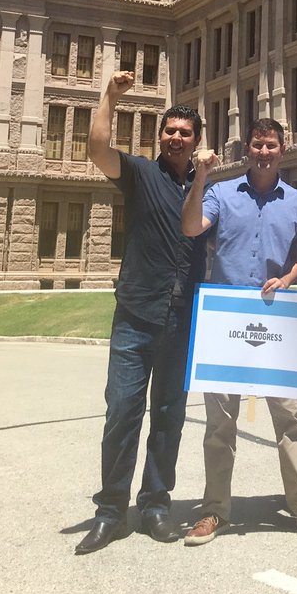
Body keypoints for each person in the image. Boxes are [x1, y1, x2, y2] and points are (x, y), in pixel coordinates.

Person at [180, 117, 297, 544]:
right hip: (227, 319)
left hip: (278, 318)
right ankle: (214, 510)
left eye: (271, 145)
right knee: (219, 423)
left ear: (282, 150)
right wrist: (201, 176)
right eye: (257, 145)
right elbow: (191, 227)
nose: (264, 152)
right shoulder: (221, 192)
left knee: (291, 417)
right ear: (247, 149)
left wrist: (288, 278)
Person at [75, 72, 205, 555]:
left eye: (184, 132)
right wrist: (109, 96)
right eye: (169, 130)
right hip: (136, 314)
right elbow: (97, 149)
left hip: (182, 319)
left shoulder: (206, 188)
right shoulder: (139, 173)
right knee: (123, 412)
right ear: (160, 136)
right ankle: (110, 512)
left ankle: (155, 506)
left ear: (196, 141)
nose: (175, 137)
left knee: (169, 416)